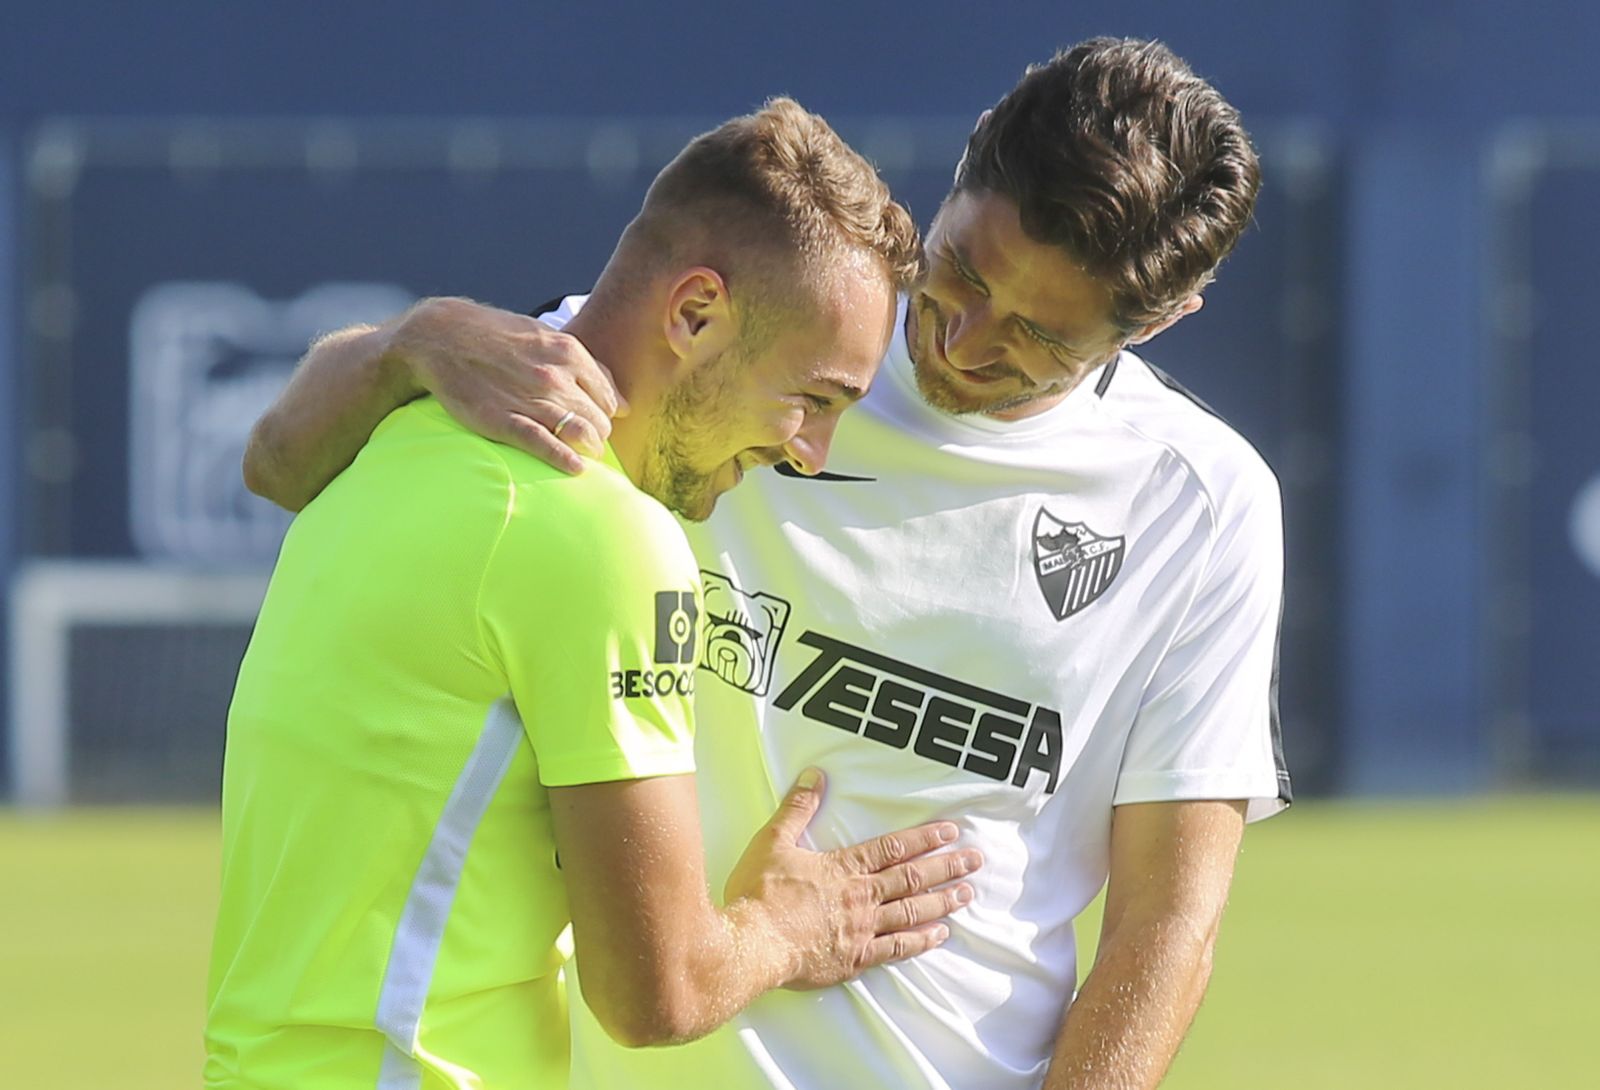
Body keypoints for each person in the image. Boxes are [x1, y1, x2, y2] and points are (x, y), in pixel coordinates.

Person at [246, 37, 1291, 1090]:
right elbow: (284, 461)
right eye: (962, 270)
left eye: (1037, 336)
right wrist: (402, 344)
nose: (963, 339)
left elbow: (1166, 926)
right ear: (968, 163)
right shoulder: (773, 342)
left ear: (1159, 320)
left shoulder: (1202, 507)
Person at [206, 98, 985, 1090]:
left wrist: (410, 338)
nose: (809, 450)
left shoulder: (393, 430)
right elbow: (655, 991)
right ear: (694, 313)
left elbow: (272, 458)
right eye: (815, 396)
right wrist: (789, 923)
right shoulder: (607, 536)